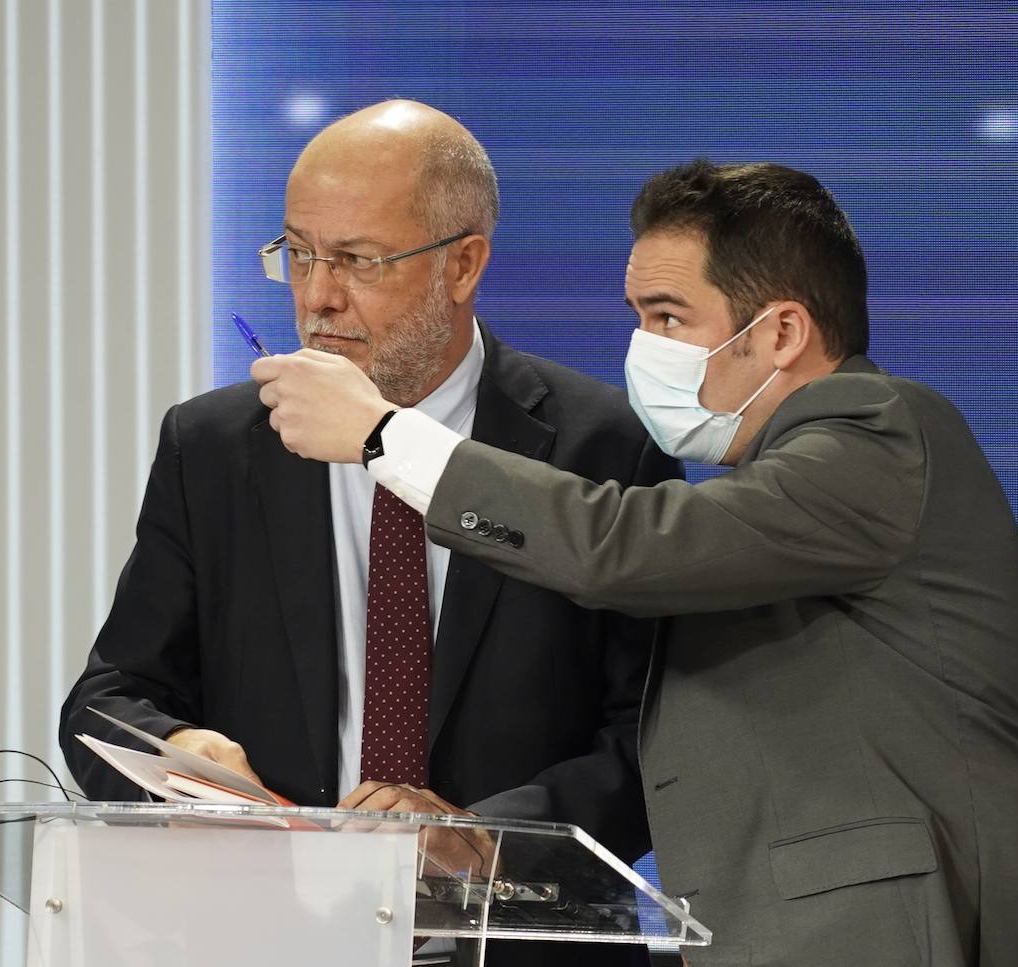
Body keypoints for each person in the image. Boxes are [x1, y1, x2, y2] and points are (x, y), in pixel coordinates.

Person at [252, 159, 1018, 966]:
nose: (641, 347)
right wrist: (477, 833)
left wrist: (383, 436)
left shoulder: (883, 432)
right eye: (636, 315)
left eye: (667, 317)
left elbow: (625, 546)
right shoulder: (775, 501)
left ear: (783, 333)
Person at [59, 100, 678, 966]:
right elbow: (107, 697)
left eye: (356, 260)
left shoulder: (601, 445)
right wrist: (177, 751)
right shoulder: (215, 445)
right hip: (269, 938)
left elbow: (657, 740)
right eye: (299, 253)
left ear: (463, 265)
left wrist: (490, 835)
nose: (317, 296)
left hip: (522, 944)